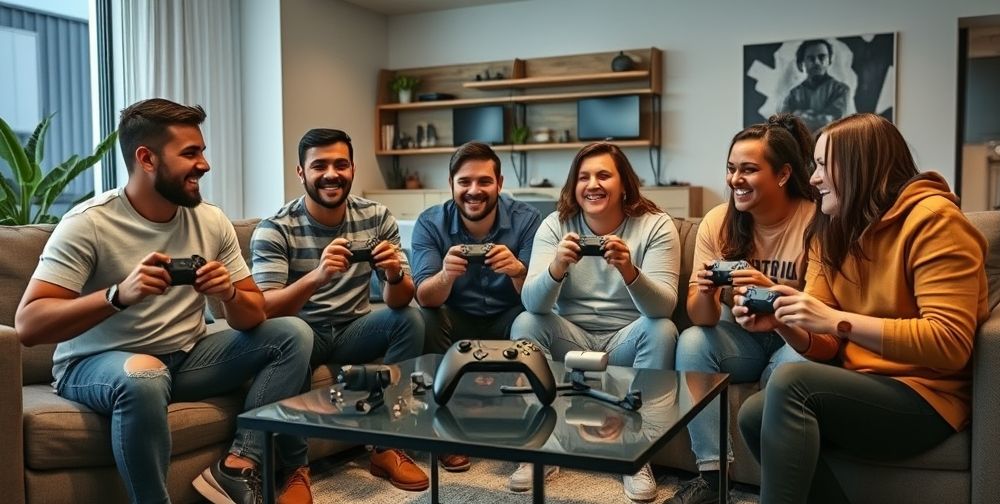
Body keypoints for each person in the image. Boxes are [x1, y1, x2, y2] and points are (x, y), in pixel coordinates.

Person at [13, 98, 315, 504]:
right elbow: (29, 325)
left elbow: (251, 315)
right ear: (147, 159)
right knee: (145, 376)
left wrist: (226, 292)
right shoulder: (89, 223)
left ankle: (241, 462)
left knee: (292, 333)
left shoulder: (210, 219)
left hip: (187, 358)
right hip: (96, 363)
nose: (204, 164)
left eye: (203, 151)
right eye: (190, 153)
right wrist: (118, 295)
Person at [736, 113, 988, 503]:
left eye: (821, 165)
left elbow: (950, 343)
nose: (813, 178)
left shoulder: (935, 222)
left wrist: (838, 321)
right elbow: (826, 344)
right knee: (753, 413)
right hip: (863, 385)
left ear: (859, 165)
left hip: (927, 397)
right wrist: (784, 323)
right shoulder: (828, 229)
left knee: (790, 383)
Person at [250, 128, 449, 492]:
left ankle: (387, 445)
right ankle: (297, 469)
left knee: (410, 319)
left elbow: (399, 300)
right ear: (301, 172)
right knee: (295, 334)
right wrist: (318, 275)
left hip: (353, 330)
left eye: (340, 164)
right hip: (300, 334)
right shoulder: (275, 228)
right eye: (319, 165)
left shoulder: (376, 216)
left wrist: (392, 273)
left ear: (353, 168)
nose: (331, 174)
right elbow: (265, 309)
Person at [510, 142, 681, 501]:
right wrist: (556, 267)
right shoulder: (555, 224)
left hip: (626, 339)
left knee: (662, 329)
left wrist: (628, 269)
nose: (593, 184)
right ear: (574, 185)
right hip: (571, 337)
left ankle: (638, 455)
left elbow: (663, 307)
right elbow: (532, 303)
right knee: (525, 323)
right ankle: (540, 448)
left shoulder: (656, 225)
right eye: (584, 177)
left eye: (604, 175)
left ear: (624, 185)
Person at [667, 113, 816, 504]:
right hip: (742, 339)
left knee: (791, 369)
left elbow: (824, 309)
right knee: (693, 340)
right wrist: (704, 289)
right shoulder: (718, 221)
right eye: (731, 169)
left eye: (749, 169)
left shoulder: (815, 220)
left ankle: (779, 484)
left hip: (795, 336)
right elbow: (703, 318)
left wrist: (770, 288)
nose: (735, 180)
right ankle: (713, 477)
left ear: (783, 175)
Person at [411, 141, 541, 353]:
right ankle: (438, 383)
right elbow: (424, 298)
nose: (474, 191)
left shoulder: (527, 220)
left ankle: (522, 382)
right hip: (455, 318)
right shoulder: (430, 223)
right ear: (451, 183)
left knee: (532, 318)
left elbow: (538, 296)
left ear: (499, 184)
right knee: (426, 317)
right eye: (464, 182)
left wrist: (518, 272)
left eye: (484, 181)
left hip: (509, 318)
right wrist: (446, 276)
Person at [779, 39, 850, 132]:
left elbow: (832, 122)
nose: (816, 62)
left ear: (829, 60)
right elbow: (784, 126)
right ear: (802, 63)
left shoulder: (841, 90)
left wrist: (798, 114)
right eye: (811, 58)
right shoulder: (793, 94)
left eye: (822, 57)